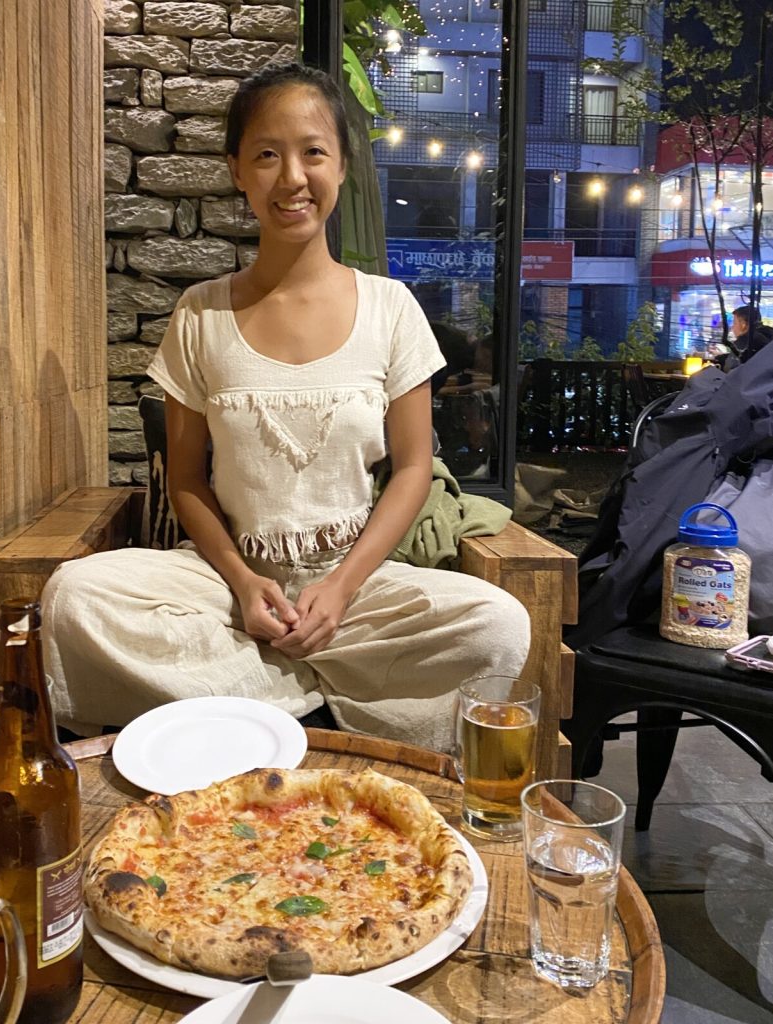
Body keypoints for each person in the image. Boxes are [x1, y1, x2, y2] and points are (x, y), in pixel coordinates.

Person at [41, 63, 530, 753]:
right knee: (74, 596)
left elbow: (413, 469)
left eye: (313, 152)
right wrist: (244, 584)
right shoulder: (200, 313)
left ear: (343, 166)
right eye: (267, 155)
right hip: (226, 584)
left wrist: (340, 588)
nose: (292, 177)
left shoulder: (390, 308)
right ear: (237, 170)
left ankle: (251, 699)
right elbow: (185, 479)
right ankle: (315, 697)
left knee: (497, 624)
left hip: (357, 588)